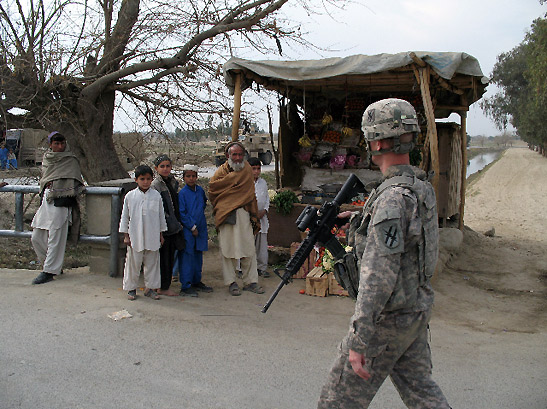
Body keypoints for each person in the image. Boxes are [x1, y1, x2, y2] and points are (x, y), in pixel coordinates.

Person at [317, 98, 451, 409]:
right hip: (415, 312)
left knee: (334, 402)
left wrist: (359, 339)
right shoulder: (418, 186)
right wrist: (359, 220)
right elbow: (409, 241)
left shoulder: (392, 199)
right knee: (423, 395)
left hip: (387, 322)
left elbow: (377, 279)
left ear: (376, 141)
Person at [208, 142, 264, 296]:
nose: (238, 158)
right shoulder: (221, 173)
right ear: (228, 156)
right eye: (234, 155)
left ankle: (250, 282)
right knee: (228, 250)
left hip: (244, 214)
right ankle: (231, 282)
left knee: (248, 249)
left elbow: (250, 193)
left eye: (240, 154)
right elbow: (213, 190)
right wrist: (227, 203)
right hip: (227, 214)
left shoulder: (246, 169)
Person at [31, 131, 84, 285]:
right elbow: (45, 179)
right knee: (37, 237)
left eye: (62, 143)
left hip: (62, 201)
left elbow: (75, 180)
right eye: (56, 144)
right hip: (47, 199)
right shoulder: (47, 159)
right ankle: (51, 265)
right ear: (51, 145)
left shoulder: (70, 159)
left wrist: (65, 190)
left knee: (56, 237)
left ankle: (49, 271)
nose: (60, 146)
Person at [119, 165, 167, 300]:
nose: (145, 182)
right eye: (142, 179)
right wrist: (126, 235)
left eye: (148, 179)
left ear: (152, 179)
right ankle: (131, 289)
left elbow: (161, 216)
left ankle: (150, 288)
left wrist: (161, 234)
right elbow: (125, 217)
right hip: (135, 236)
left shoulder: (156, 196)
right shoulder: (130, 196)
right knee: (133, 264)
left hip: (152, 235)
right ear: (136, 180)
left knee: (152, 263)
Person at [177, 164, 212, 297]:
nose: (191, 179)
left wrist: (199, 226)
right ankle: (186, 285)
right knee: (187, 256)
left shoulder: (200, 191)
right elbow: (182, 213)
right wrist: (192, 226)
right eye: (188, 176)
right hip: (189, 230)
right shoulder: (183, 194)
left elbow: (203, 205)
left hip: (201, 228)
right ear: (184, 178)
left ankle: (197, 281)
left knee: (198, 256)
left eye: (193, 176)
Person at [151, 155, 184, 296]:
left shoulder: (172, 182)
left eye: (167, 166)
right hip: (163, 227)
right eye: (162, 166)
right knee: (162, 259)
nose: (165, 169)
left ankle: (164, 285)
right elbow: (158, 209)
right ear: (156, 168)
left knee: (170, 257)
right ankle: (161, 287)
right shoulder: (156, 185)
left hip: (174, 226)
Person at [248, 157, 270, 278]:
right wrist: (252, 215)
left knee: (261, 245)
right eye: (253, 169)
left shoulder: (263, 183)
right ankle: (242, 268)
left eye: (258, 169)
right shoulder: (244, 183)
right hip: (248, 219)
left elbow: (266, 199)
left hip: (261, 218)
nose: (256, 171)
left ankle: (261, 267)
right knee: (247, 244)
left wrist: (264, 211)